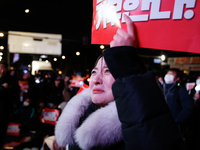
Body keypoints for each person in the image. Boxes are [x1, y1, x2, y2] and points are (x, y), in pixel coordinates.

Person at [55, 15, 181, 150]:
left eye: (107, 71)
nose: (96, 80)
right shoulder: (79, 120)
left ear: (124, 79)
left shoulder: (139, 131)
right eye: (94, 72)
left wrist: (126, 61)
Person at [163, 68, 193, 141]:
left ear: (177, 78)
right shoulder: (161, 89)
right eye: (168, 74)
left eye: (172, 74)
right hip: (162, 125)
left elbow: (188, 108)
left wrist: (177, 120)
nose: (168, 76)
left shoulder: (180, 90)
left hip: (175, 127)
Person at [0, 62, 15, 148]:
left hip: (4, 112)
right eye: (0, 68)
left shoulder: (9, 80)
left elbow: (12, 91)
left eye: (3, 68)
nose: (2, 70)